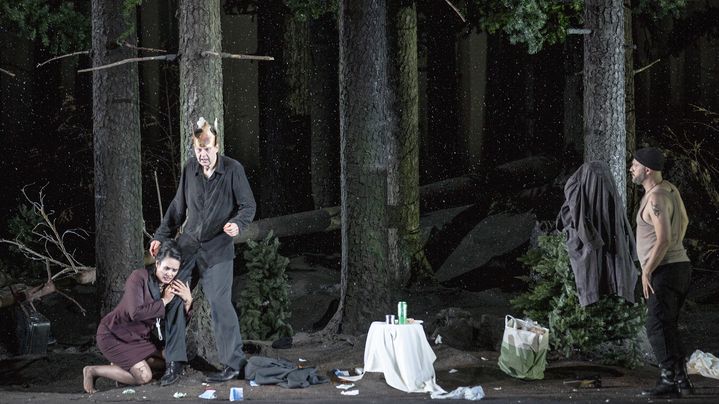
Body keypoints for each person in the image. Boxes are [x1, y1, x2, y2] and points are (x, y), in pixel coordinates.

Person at [150, 117, 256, 386]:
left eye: (207, 150)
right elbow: (177, 209)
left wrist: (237, 223)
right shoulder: (190, 169)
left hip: (218, 248)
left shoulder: (233, 170)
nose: (203, 155)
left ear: (217, 146)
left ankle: (233, 364)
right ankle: (174, 362)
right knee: (173, 297)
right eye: (198, 150)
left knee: (220, 304)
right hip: (187, 246)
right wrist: (161, 237)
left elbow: (248, 206)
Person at [83, 240, 191, 394]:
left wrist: (188, 301)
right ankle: (92, 371)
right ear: (157, 263)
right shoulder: (139, 277)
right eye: (166, 268)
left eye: (174, 270)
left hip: (140, 338)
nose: (170, 274)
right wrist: (164, 301)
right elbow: (136, 313)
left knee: (169, 360)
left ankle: (121, 367)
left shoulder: (170, 286)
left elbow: (174, 324)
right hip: (114, 334)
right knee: (144, 377)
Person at [630, 147, 693, 398]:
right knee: (668, 326)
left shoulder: (656, 198)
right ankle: (682, 381)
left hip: (664, 270)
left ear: (647, 169)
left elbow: (664, 239)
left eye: (635, 165)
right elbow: (685, 221)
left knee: (656, 326)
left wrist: (647, 270)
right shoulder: (671, 190)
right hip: (680, 267)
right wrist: (675, 250)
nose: (631, 169)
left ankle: (668, 381)